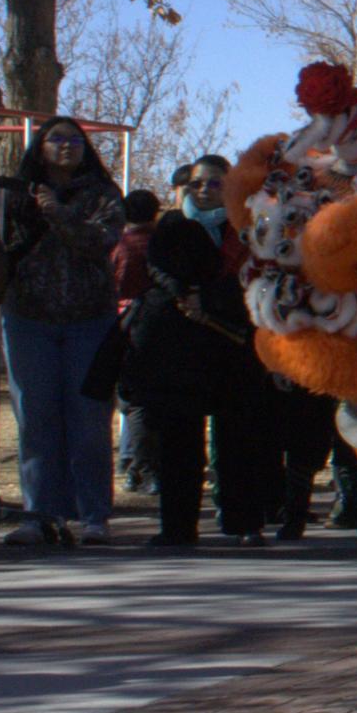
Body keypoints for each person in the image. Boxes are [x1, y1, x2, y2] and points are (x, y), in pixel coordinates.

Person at [0, 116, 124, 543]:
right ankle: (39, 514)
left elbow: (101, 241)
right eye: (57, 138)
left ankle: (93, 515)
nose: (67, 145)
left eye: (75, 139)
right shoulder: (14, 195)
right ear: (39, 146)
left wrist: (59, 214)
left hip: (91, 320)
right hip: (29, 319)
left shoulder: (103, 195)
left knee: (88, 420)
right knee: (36, 418)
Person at [118, 211, 271, 547]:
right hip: (222, 369)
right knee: (222, 447)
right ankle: (235, 523)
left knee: (191, 450)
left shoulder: (157, 300)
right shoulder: (221, 289)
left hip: (195, 375)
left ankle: (186, 526)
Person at [112, 189, 160, 492]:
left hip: (129, 328)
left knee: (133, 402)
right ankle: (142, 462)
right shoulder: (161, 243)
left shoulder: (122, 246)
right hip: (162, 326)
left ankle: (137, 463)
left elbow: (115, 286)